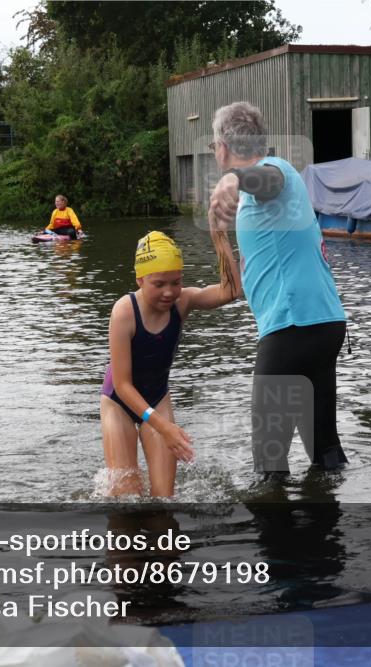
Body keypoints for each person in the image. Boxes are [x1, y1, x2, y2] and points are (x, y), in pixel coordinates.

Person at [207, 101, 349, 475]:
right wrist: (217, 236)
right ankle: (333, 528)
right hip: (321, 324)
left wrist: (234, 179)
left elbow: (267, 180)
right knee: (326, 451)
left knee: (269, 463)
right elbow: (236, 287)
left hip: (292, 329)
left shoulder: (275, 173)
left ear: (222, 145)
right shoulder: (256, 204)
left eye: (212, 145)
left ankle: (274, 532)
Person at [101, 230, 240, 497]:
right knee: (127, 497)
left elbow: (230, 291)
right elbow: (122, 384)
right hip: (120, 402)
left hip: (157, 397)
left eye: (176, 282)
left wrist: (220, 236)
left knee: (164, 500)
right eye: (159, 284)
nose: (169, 292)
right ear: (140, 279)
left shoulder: (182, 302)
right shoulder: (124, 311)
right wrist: (164, 428)